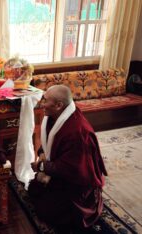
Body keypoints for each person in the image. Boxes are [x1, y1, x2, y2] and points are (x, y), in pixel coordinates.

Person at [28, 85, 107, 231]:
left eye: (45, 100)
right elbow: (47, 144)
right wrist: (41, 154)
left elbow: (70, 168)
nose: (41, 103)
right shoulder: (54, 116)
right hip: (60, 174)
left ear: (59, 105)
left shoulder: (77, 132)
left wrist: (41, 167)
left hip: (76, 182)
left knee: (47, 211)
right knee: (33, 190)